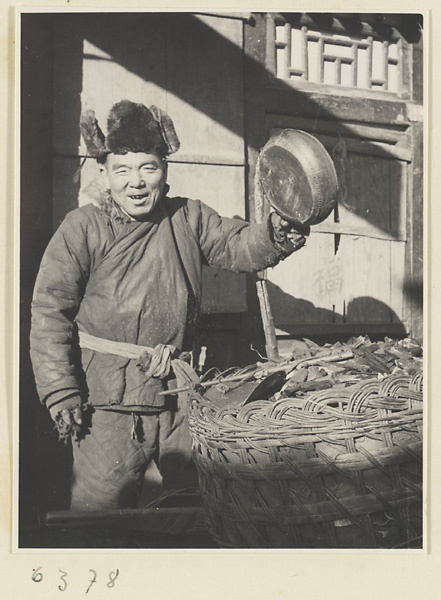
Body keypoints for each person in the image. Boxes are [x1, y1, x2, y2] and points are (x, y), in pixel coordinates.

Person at [30, 100, 308, 511]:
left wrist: (276, 232)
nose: (136, 182)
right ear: (104, 175)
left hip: (179, 394)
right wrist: (59, 390)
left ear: (165, 171)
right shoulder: (82, 227)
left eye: (148, 168)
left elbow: (238, 245)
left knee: (188, 509)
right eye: (122, 170)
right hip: (108, 400)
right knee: (100, 515)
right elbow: (49, 312)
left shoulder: (188, 217)